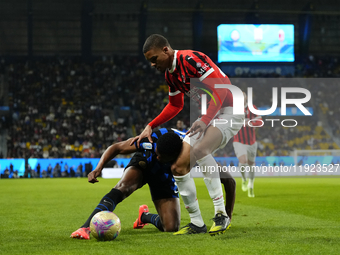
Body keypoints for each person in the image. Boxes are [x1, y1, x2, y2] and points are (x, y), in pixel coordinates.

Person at [131, 34, 244, 235]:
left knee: (200, 149)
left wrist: (205, 119)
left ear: (165, 50)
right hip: (210, 114)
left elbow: (222, 90)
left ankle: (221, 215)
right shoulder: (170, 75)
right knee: (178, 166)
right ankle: (197, 223)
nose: (152, 65)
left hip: (230, 110)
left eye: (154, 59)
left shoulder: (191, 60)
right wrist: (151, 125)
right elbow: (176, 105)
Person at [70, 128, 185, 240]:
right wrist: (98, 168)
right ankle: (85, 228)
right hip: (145, 161)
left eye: (161, 156)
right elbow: (116, 148)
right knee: (123, 187)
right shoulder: (149, 140)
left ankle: (144, 216)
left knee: (171, 227)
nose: (158, 157)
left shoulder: (188, 148)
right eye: (157, 153)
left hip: (163, 173)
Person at [233, 92, 262, 198]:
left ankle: (251, 185)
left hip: (251, 142)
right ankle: (244, 179)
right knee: (243, 161)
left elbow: (260, 122)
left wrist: (249, 123)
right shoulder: (233, 109)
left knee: (251, 165)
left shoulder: (252, 108)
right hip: (238, 140)